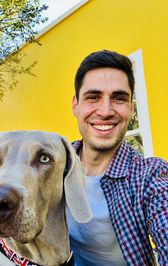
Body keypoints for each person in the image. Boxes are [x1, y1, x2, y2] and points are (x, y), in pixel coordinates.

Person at [66, 50, 168, 266]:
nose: (105, 111)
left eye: (119, 98)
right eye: (93, 97)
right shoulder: (55, 164)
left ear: (131, 107)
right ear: (76, 105)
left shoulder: (149, 176)